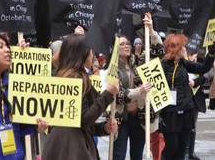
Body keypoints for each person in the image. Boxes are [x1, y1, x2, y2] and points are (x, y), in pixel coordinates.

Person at [42, 33, 119, 160]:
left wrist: (103, 128)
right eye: (89, 51)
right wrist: (108, 94)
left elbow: (78, 122)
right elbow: (82, 120)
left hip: (65, 146)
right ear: (80, 53)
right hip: (72, 149)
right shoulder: (75, 78)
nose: (92, 55)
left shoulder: (68, 76)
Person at [113, 12, 162, 160]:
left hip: (140, 118)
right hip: (121, 119)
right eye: (122, 44)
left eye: (128, 43)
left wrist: (151, 31)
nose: (126, 46)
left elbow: (158, 53)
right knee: (118, 156)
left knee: (137, 156)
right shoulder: (112, 68)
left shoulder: (140, 60)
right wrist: (139, 91)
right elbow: (118, 96)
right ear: (116, 48)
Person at [160, 36, 215, 160]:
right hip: (170, 112)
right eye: (183, 46)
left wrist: (211, 54)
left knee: (182, 146)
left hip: (186, 109)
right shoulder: (163, 65)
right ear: (176, 48)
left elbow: (203, 68)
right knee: (171, 146)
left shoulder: (183, 63)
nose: (186, 48)